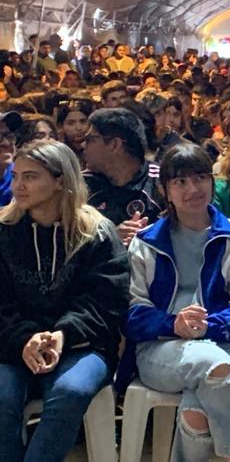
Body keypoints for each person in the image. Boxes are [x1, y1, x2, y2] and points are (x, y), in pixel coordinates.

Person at [121, 142, 230, 462]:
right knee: (220, 371)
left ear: (213, 182)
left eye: (200, 177)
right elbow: (131, 312)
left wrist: (205, 327)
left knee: (198, 409)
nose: (192, 189)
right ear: (165, 190)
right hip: (160, 349)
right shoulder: (146, 243)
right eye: (180, 182)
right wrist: (174, 324)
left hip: (227, 343)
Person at [0, 140, 129, 461]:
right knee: (2, 396)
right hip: (13, 343)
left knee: (70, 391)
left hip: (82, 344)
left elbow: (107, 302)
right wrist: (25, 339)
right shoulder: (5, 229)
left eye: (30, 176)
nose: (18, 185)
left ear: (60, 180)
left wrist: (63, 334)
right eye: (15, 176)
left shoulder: (97, 233)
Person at [83, 108, 164, 245]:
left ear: (115, 144)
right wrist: (111, 239)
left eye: (90, 139)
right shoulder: (83, 185)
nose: (82, 145)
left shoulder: (161, 182)